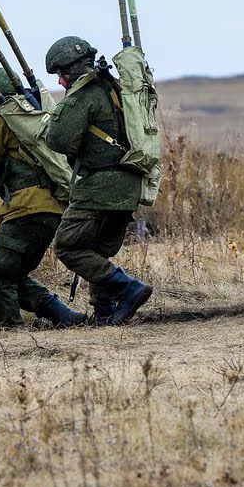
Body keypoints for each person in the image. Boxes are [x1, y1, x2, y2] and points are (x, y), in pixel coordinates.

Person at [0, 67, 86, 328]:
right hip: (53, 211)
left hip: (25, 212)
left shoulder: (1, 120)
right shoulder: (35, 116)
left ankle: (11, 334)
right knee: (14, 275)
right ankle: (65, 317)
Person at [43, 36, 152, 325]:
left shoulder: (85, 94)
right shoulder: (113, 87)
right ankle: (105, 312)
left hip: (99, 187)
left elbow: (58, 139)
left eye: (61, 75)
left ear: (71, 70)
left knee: (68, 247)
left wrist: (55, 117)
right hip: (128, 185)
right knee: (98, 252)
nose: (61, 82)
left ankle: (129, 288)